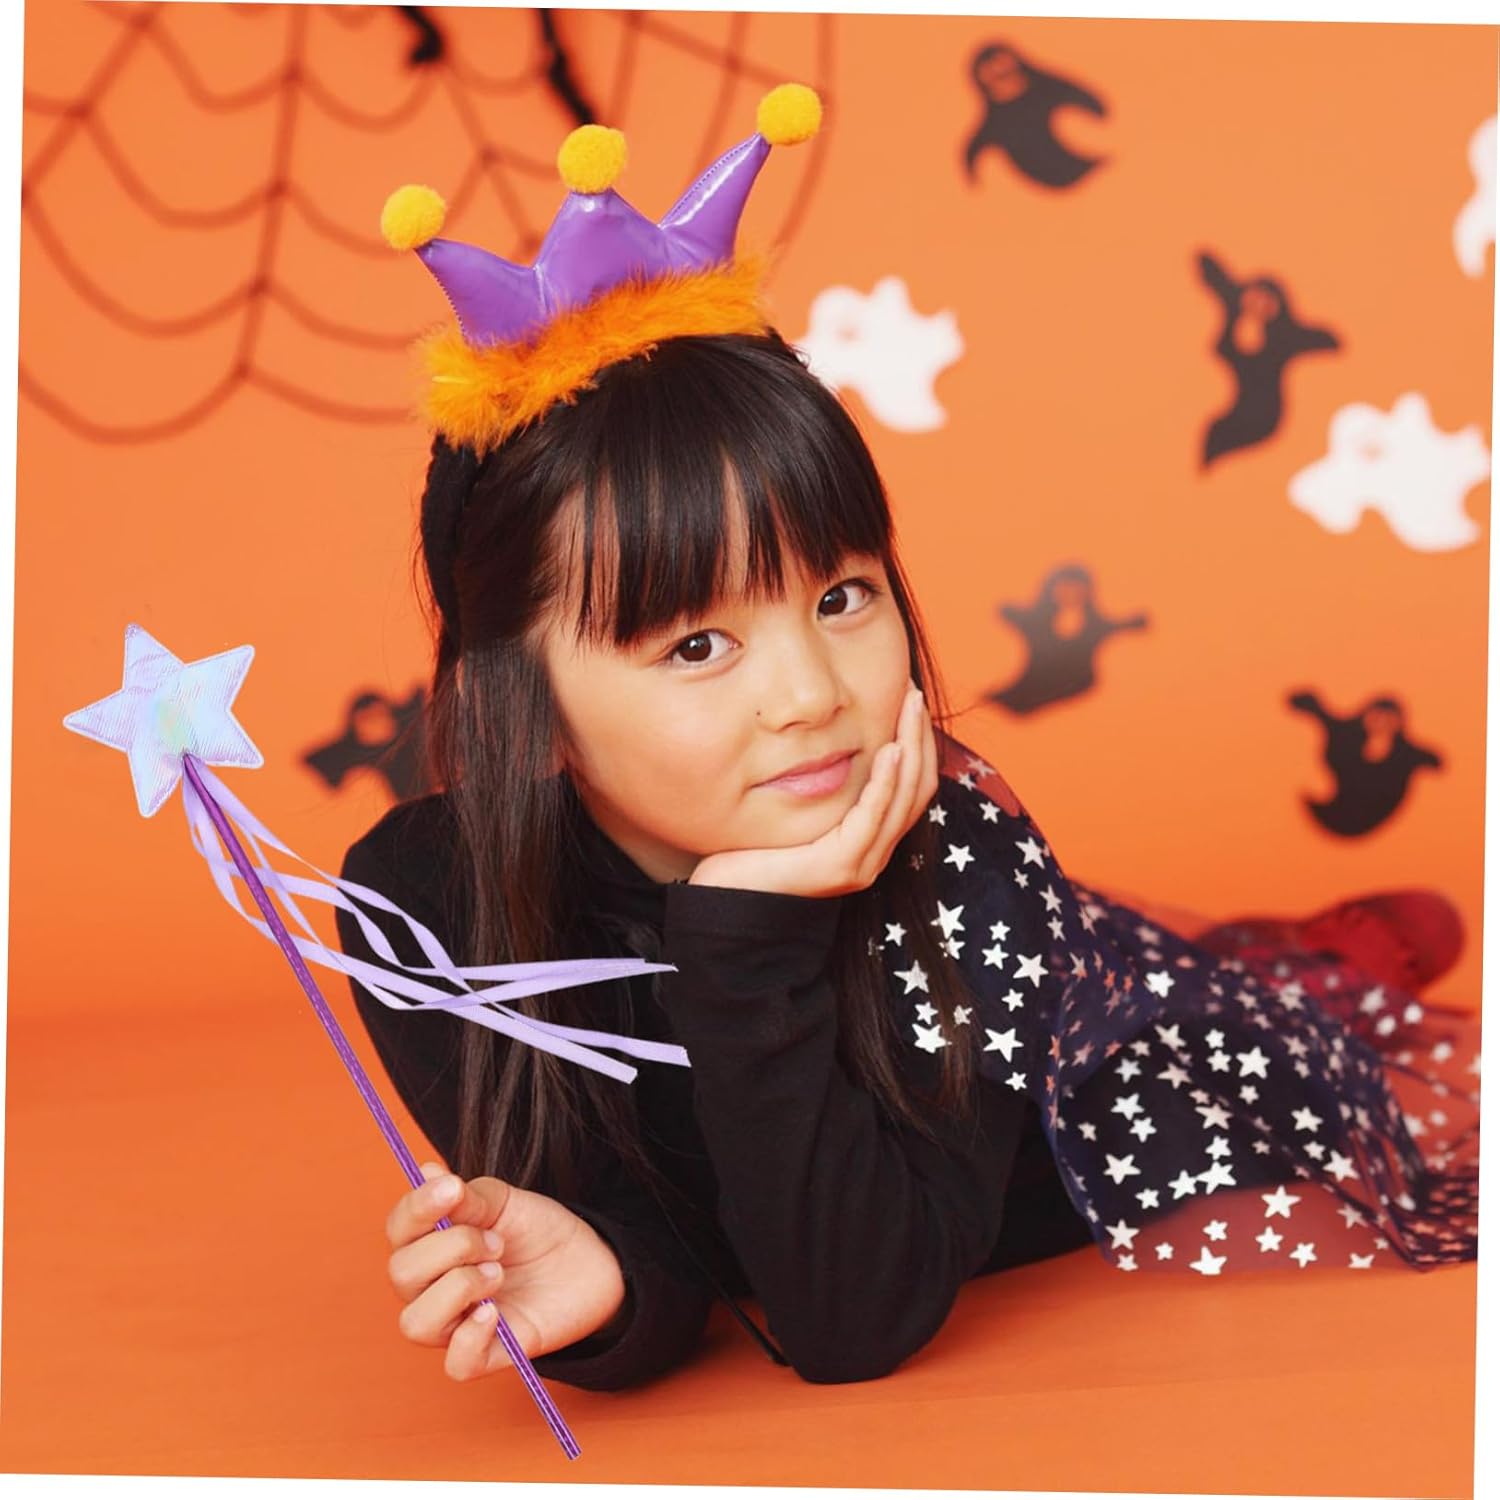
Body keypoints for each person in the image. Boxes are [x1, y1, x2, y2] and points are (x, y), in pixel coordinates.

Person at [335, 85, 1480, 1395]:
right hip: (874, 1129)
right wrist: (607, 1295)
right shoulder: (422, 906)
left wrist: (748, 930)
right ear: (517, 714)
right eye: (697, 646)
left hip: (1099, 1091)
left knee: (1277, 1035)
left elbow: (854, 1316)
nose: (811, 693)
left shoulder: (962, 860)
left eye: (841, 597)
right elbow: (616, 1223)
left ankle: (1334, 960)